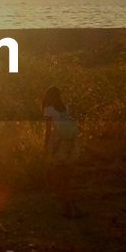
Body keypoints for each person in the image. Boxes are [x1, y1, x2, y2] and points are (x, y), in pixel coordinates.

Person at [42, 86, 80, 217]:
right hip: (70, 145)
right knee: (66, 177)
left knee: (58, 177)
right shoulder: (65, 108)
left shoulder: (49, 109)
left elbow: (47, 130)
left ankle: (67, 206)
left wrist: (45, 146)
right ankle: (70, 205)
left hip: (57, 145)